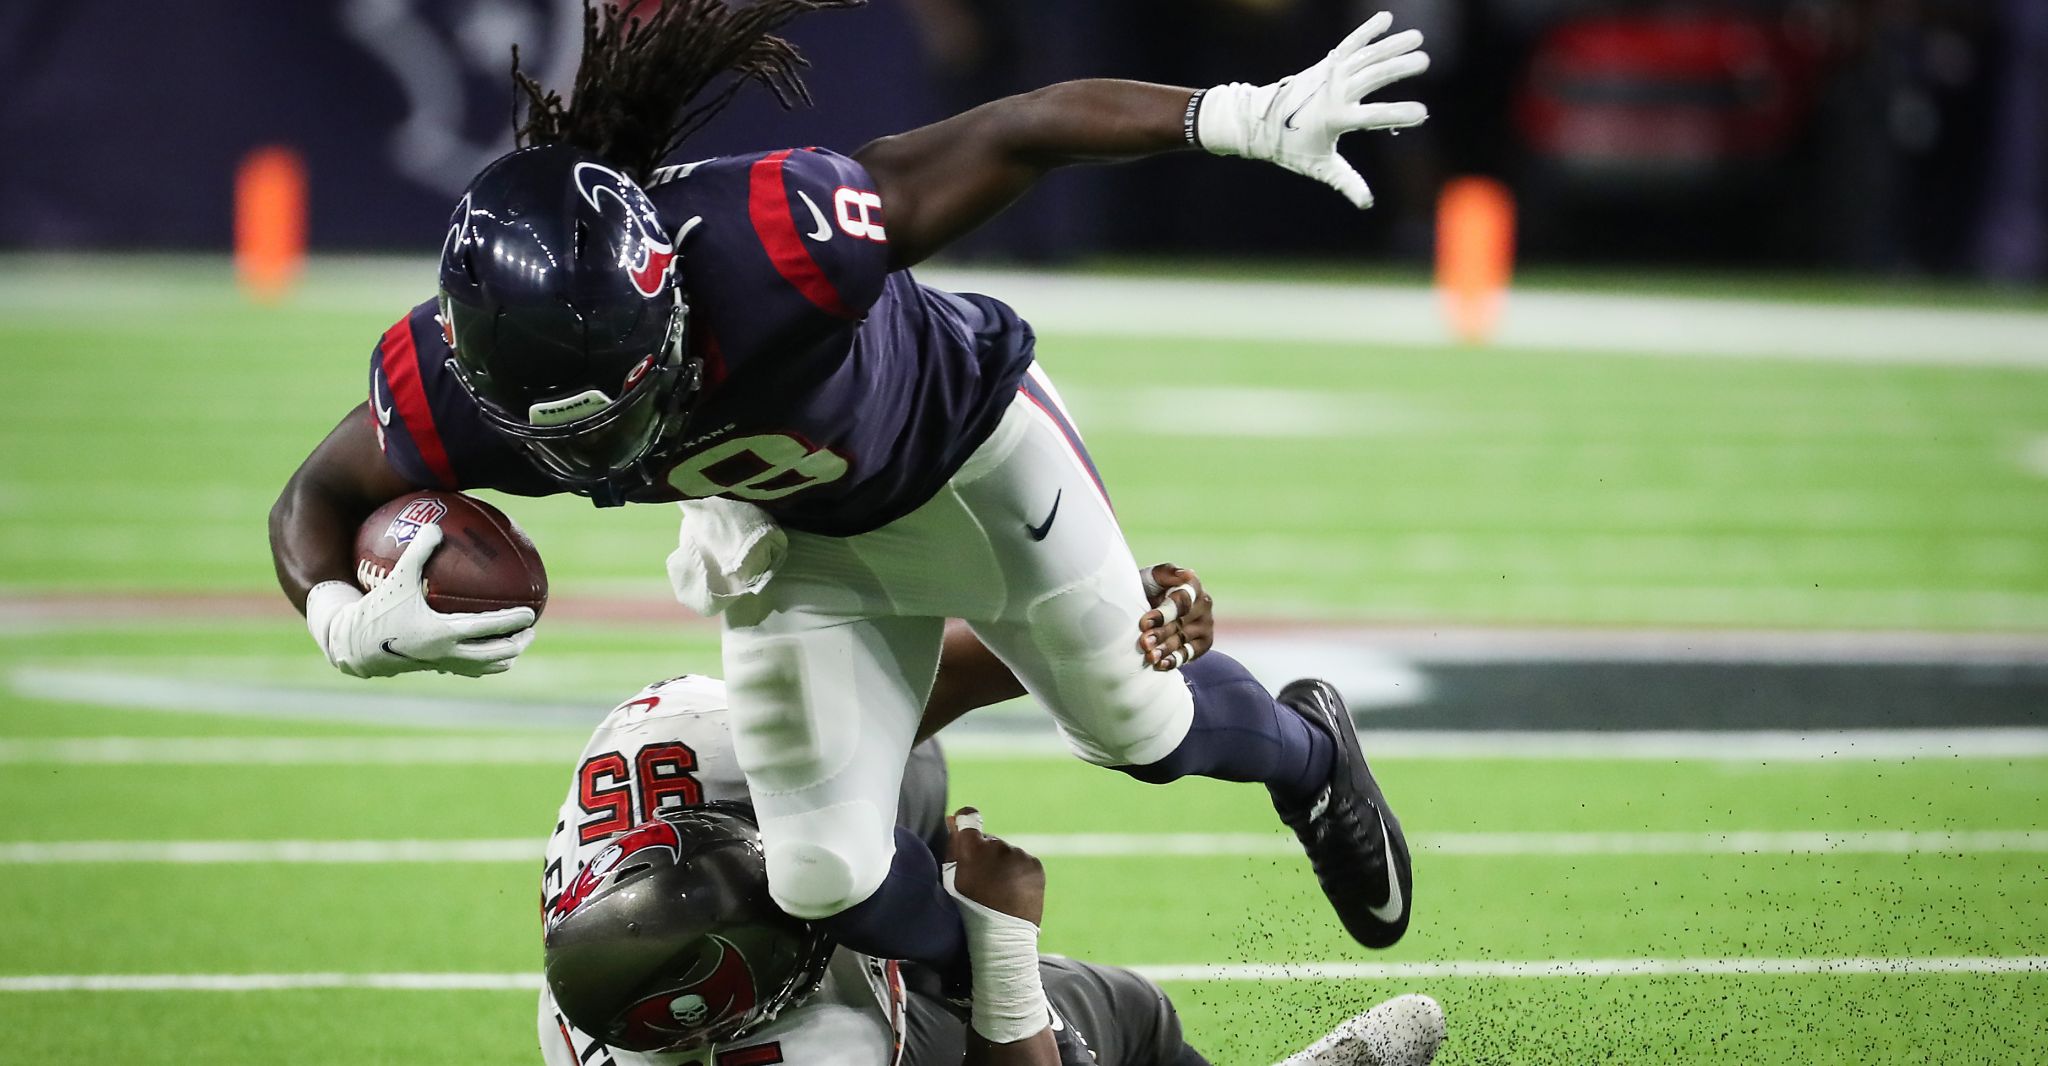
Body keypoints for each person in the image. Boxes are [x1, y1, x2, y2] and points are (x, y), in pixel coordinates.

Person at [268, 0, 1427, 992]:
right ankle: (1007, 989)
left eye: (628, 398)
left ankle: (1308, 757)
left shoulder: (773, 243)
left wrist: (1229, 113)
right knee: (820, 871)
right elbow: (313, 498)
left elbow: (1013, 133)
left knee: (1140, 728)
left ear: (665, 298)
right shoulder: (449, 385)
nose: (618, 443)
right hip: (794, 542)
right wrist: (339, 616)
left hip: (973, 453)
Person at [536, 588, 1445, 1066]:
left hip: (831, 807)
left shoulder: (684, 746)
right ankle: (968, 963)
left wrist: (1109, 620)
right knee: (1119, 1016)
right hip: (844, 1001)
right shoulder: (822, 1046)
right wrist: (1004, 945)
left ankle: (1307, 759)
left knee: (905, 752)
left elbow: (949, 679)